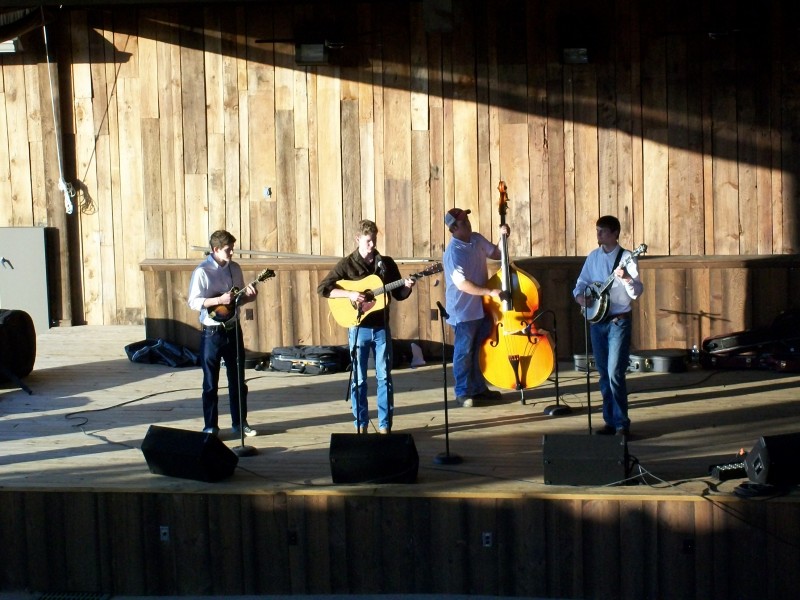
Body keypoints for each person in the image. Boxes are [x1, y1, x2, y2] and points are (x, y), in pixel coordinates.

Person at [317, 219, 415, 434]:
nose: (372, 245)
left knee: (384, 377)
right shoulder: (347, 264)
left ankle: (384, 425)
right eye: (368, 241)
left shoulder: (386, 263)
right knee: (359, 379)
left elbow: (399, 295)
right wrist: (350, 294)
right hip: (357, 328)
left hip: (381, 327)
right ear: (358, 239)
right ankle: (360, 424)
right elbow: (324, 289)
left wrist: (408, 287)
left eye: (374, 241)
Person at [573, 215, 643, 436]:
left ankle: (622, 423)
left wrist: (626, 278)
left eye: (602, 231)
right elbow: (581, 284)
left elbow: (636, 292)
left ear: (615, 234)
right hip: (597, 322)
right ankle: (610, 421)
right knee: (603, 373)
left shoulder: (628, 258)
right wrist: (581, 298)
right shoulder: (593, 257)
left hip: (618, 321)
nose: (598, 235)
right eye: (597, 231)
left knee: (615, 372)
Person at [187, 230, 259, 437]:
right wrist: (218, 300)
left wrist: (249, 299)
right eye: (228, 249)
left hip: (233, 330)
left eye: (233, 248)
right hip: (212, 333)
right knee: (210, 382)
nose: (232, 252)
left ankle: (240, 422)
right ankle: (211, 426)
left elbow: (237, 301)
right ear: (215, 249)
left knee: (238, 380)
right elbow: (194, 302)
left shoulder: (235, 269)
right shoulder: (202, 271)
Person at [442, 207, 508, 407]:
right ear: (453, 228)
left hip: (482, 308)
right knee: (464, 353)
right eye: (463, 223)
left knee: (481, 351)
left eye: (468, 221)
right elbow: (462, 284)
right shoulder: (453, 253)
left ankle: (479, 389)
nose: (469, 224)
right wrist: (489, 292)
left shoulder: (476, 239)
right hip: (463, 312)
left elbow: (496, 253)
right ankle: (463, 392)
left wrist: (503, 237)